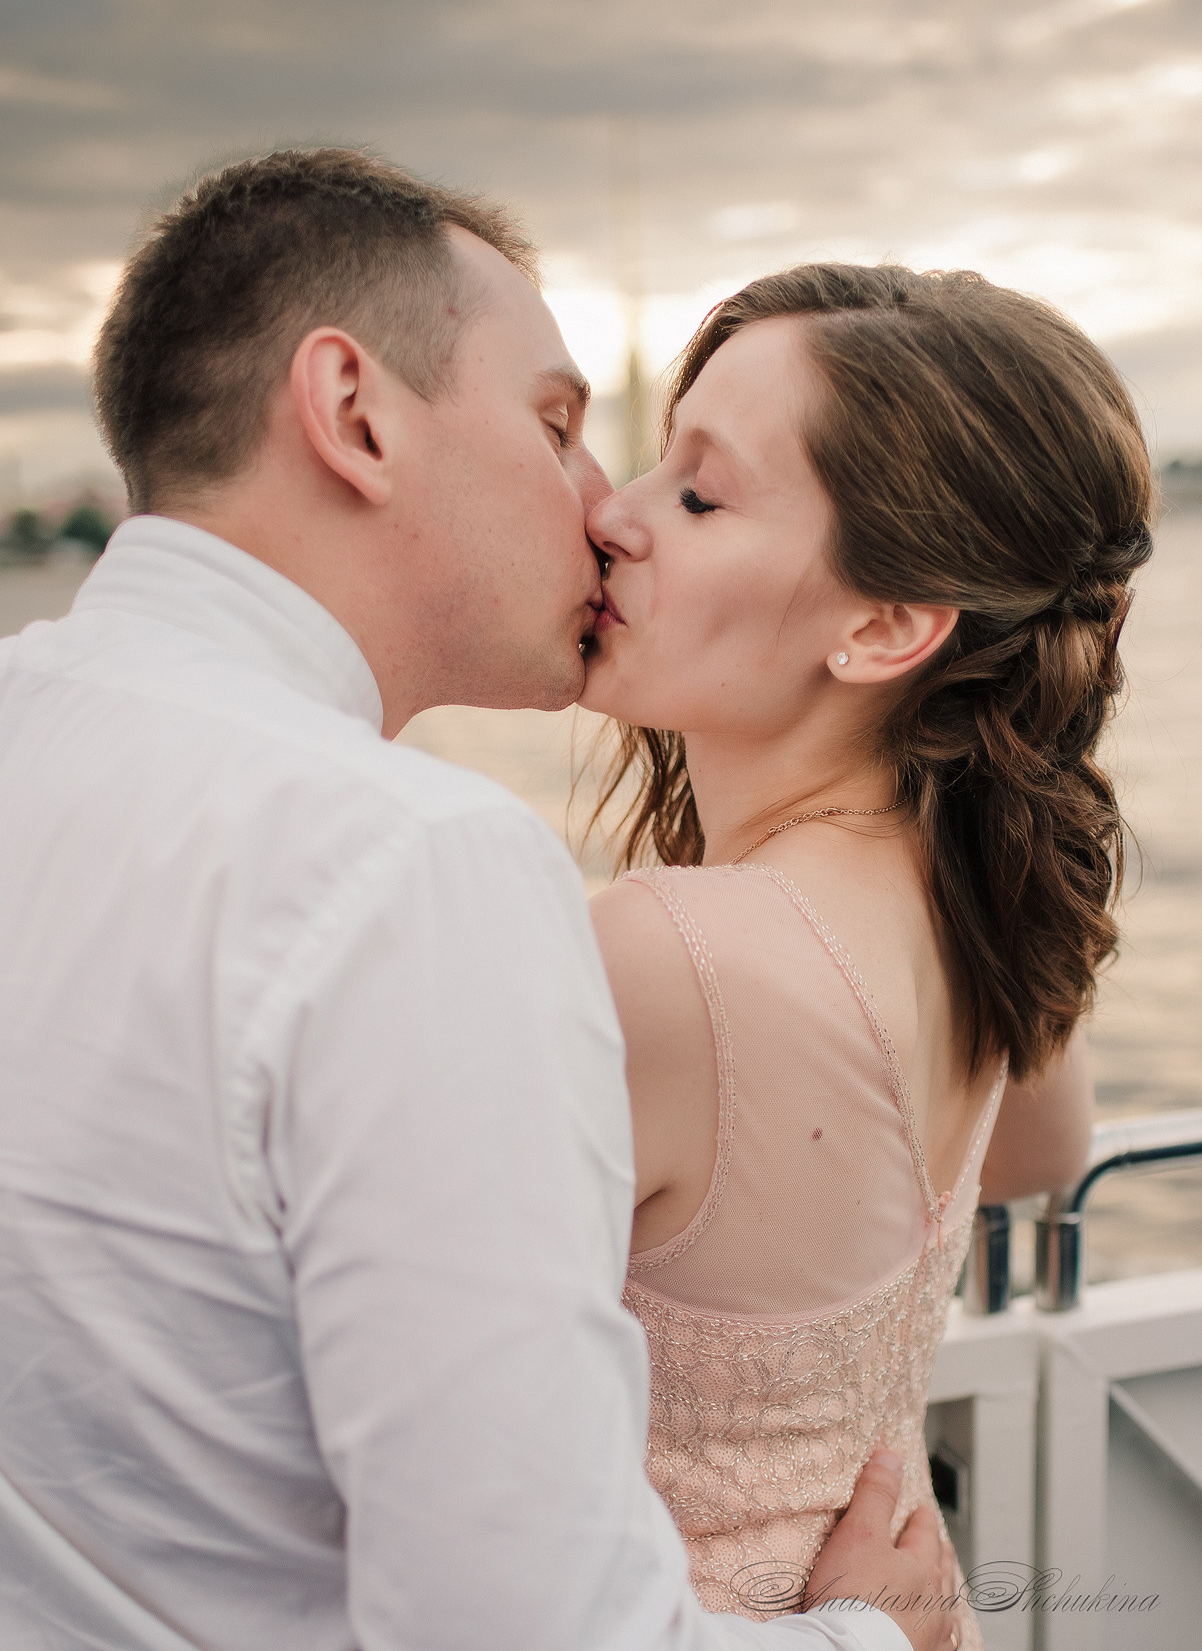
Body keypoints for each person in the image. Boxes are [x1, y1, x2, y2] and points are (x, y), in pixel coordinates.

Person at [0, 152, 955, 1651]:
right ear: (355, 415)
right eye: (558, 426)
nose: (600, 508)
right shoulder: (413, 865)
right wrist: (872, 1639)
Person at [583, 264, 1151, 1644]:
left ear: (886, 626)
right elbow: (1032, 1161)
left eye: (698, 495)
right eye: (653, 467)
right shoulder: (969, 907)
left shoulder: (658, 955)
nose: (612, 514)